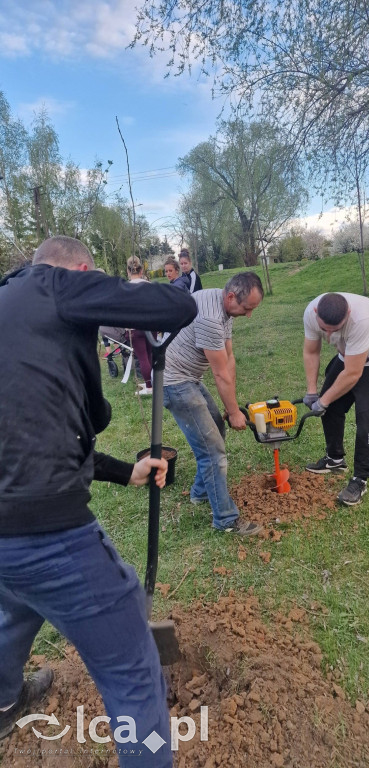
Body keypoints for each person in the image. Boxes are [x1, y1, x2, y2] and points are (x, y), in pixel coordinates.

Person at [0, 236, 197, 767]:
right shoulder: (59, 285)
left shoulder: (10, 306)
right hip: (45, 536)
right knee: (133, 672)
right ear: (82, 271)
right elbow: (177, 305)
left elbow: (32, 435)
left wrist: (124, 471)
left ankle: (3, 701)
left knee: (13, 607)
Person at [163, 272, 264, 535]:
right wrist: (234, 412)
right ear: (231, 296)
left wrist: (232, 408)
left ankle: (200, 492)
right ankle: (226, 519)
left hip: (189, 378)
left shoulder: (223, 307)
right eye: (247, 308)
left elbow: (228, 359)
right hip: (175, 381)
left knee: (216, 429)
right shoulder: (210, 318)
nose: (249, 315)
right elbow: (219, 373)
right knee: (213, 452)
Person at [302, 292, 369, 505]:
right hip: (349, 353)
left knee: (367, 419)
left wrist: (323, 400)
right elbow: (311, 352)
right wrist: (312, 392)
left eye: (335, 329)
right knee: (331, 407)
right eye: (324, 329)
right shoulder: (310, 312)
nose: (329, 336)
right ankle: (335, 459)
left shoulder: (361, 319)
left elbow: (353, 373)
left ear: (347, 314)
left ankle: (360, 479)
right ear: (316, 312)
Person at [126, 255, 153, 396]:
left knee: (142, 357)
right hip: (151, 324)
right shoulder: (149, 285)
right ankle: (151, 382)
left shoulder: (125, 287)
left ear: (128, 271)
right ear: (141, 270)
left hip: (135, 327)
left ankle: (149, 386)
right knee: (149, 355)